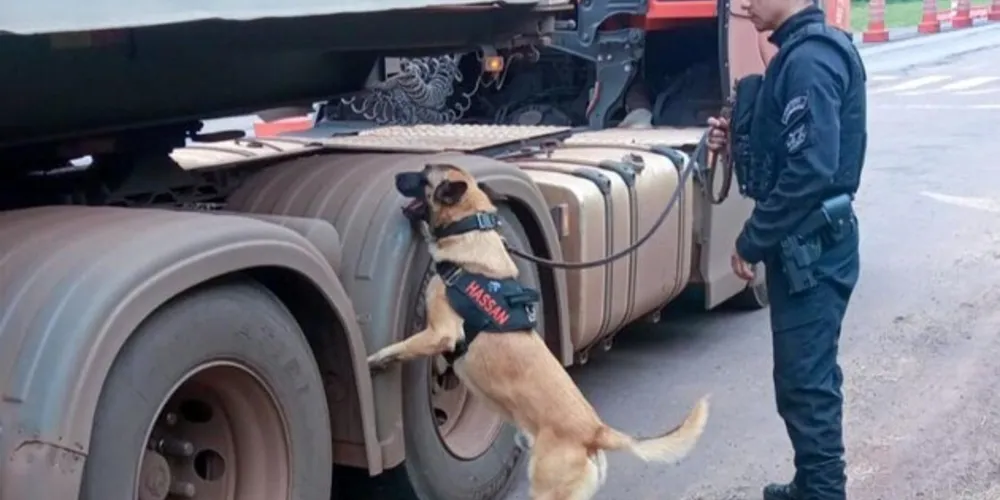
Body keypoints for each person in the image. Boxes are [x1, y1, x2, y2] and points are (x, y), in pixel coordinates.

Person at [706, 0, 867, 499]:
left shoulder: (810, 60)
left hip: (813, 250)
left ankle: (822, 492)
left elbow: (812, 168)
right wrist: (738, 136)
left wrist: (752, 238)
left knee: (805, 384)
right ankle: (810, 483)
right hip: (810, 247)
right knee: (806, 378)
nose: (745, 4)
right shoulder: (799, 55)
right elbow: (793, 147)